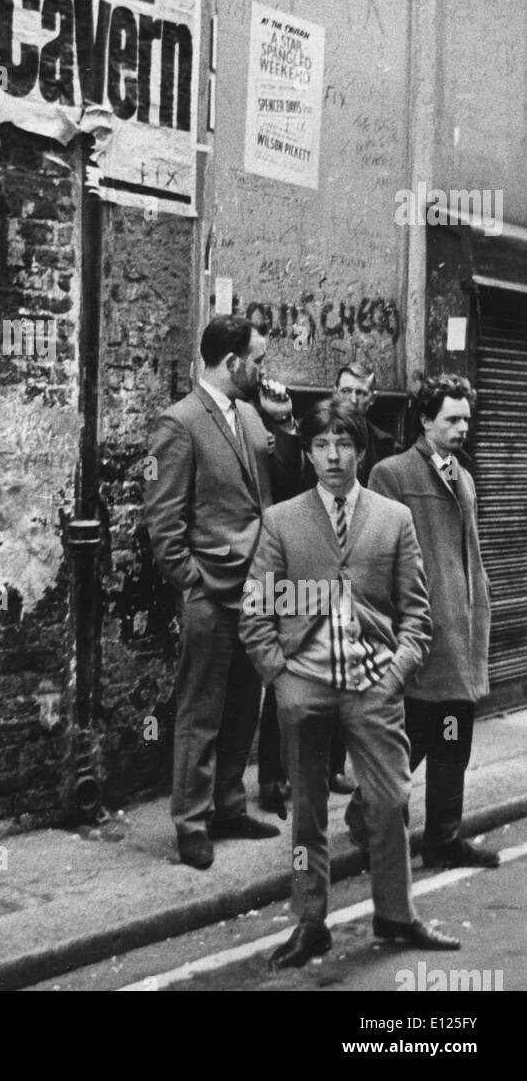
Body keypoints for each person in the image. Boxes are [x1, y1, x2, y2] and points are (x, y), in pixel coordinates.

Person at [241, 399, 459, 969]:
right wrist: (279, 678)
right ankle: (309, 922)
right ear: (309, 453)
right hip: (305, 685)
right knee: (307, 816)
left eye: (344, 444)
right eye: (321, 445)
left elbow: (417, 615)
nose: (333, 456)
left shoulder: (392, 518)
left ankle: (396, 914)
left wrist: (395, 676)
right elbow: (255, 612)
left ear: (362, 451)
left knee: (389, 802)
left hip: (372, 686)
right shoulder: (282, 520)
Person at [143, 314, 301, 870]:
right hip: (211, 591)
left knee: (243, 705)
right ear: (231, 362)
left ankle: (230, 806)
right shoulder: (178, 422)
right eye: (257, 360)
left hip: (257, 589)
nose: (263, 370)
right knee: (201, 711)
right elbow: (162, 520)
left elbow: (283, 482)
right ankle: (190, 823)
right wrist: (194, 581)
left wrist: (284, 425)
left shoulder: (254, 416)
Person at [348, 375, 499, 870]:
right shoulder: (392, 475)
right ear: (426, 420)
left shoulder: (465, 477)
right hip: (418, 637)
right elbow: (372, 559)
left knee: (453, 736)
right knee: (410, 740)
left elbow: (470, 556)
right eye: (452, 419)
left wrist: (482, 608)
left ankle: (443, 837)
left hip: (460, 634)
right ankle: (365, 816)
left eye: (466, 419)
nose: (462, 428)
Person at [258, 362, 400, 810]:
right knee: (295, 672)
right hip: (309, 578)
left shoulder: (382, 446)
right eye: (344, 389)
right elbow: (286, 479)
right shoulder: (316, 438)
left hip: (359, 580)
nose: (350, 398)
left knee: (347, 675)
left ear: (371, 399)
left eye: (359, 393)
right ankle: (272, 777)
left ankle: (334, 767)